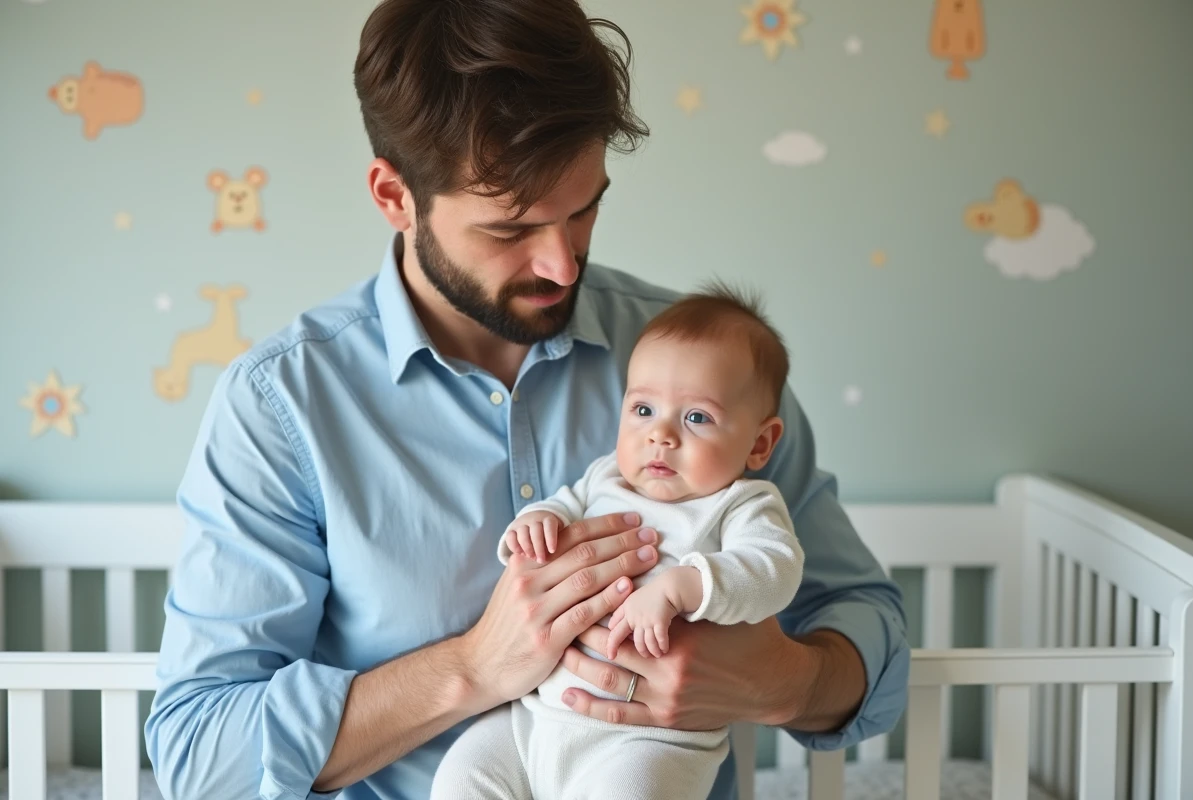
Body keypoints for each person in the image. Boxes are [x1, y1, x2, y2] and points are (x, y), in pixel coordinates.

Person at [144, 1, 910, 799]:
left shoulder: (704, 371)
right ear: (394, 196)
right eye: (511, 230)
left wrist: (778, 683)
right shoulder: (282, 408)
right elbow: (200, 756)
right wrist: (472, 669)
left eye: (584, 210)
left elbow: (868, 631)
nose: (562, 266)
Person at [430, 285, 808, 799]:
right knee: (462, 775)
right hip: (534, 723)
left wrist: (684, 586)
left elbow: (775, 569)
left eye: (697, 417)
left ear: (759, 443)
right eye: (643, 410)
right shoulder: (606, 477)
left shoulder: (741, 505)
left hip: (649, 742)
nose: (661, 436)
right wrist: (536, 521)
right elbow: (562, 506)